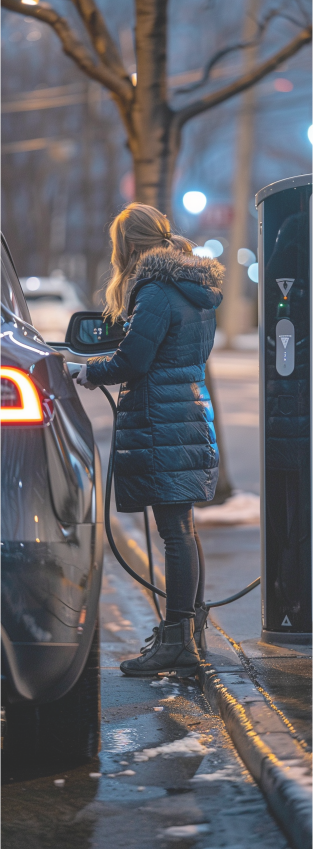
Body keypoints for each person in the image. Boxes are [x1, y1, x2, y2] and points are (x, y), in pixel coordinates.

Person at [77, 203, 224, 677]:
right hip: (188, 412)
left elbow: (134, 361)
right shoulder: (190, 285)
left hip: (163, 419)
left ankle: (178, 642)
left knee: (175, 532)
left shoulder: (156, 290)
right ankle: (189, 633)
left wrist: (88, 372)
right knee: (183, 529)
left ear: (128, 245)